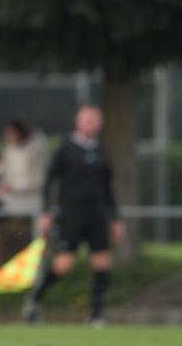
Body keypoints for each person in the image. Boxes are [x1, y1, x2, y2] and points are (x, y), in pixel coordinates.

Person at [23, 105, 124, 326]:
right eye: (87, 119)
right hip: (72, 214)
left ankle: (97, 314)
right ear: (78, 122)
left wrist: (116, 217)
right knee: (63, 265)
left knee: (102, 263)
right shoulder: (67, 147)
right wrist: (47, 211)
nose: (92, 124)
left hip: (97, 214)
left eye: (95, 120)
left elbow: (107, 187)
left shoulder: (101, 150)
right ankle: (34, 300)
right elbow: (51, 181)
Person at [0, 119, 48, 213]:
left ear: (20, 133)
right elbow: (3, 173)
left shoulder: (34, 151)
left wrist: (13, 187)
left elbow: (37, 180)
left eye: (11, 133)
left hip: (29, 201)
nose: (7, 137)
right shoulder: (9, 151)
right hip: (10, 200)